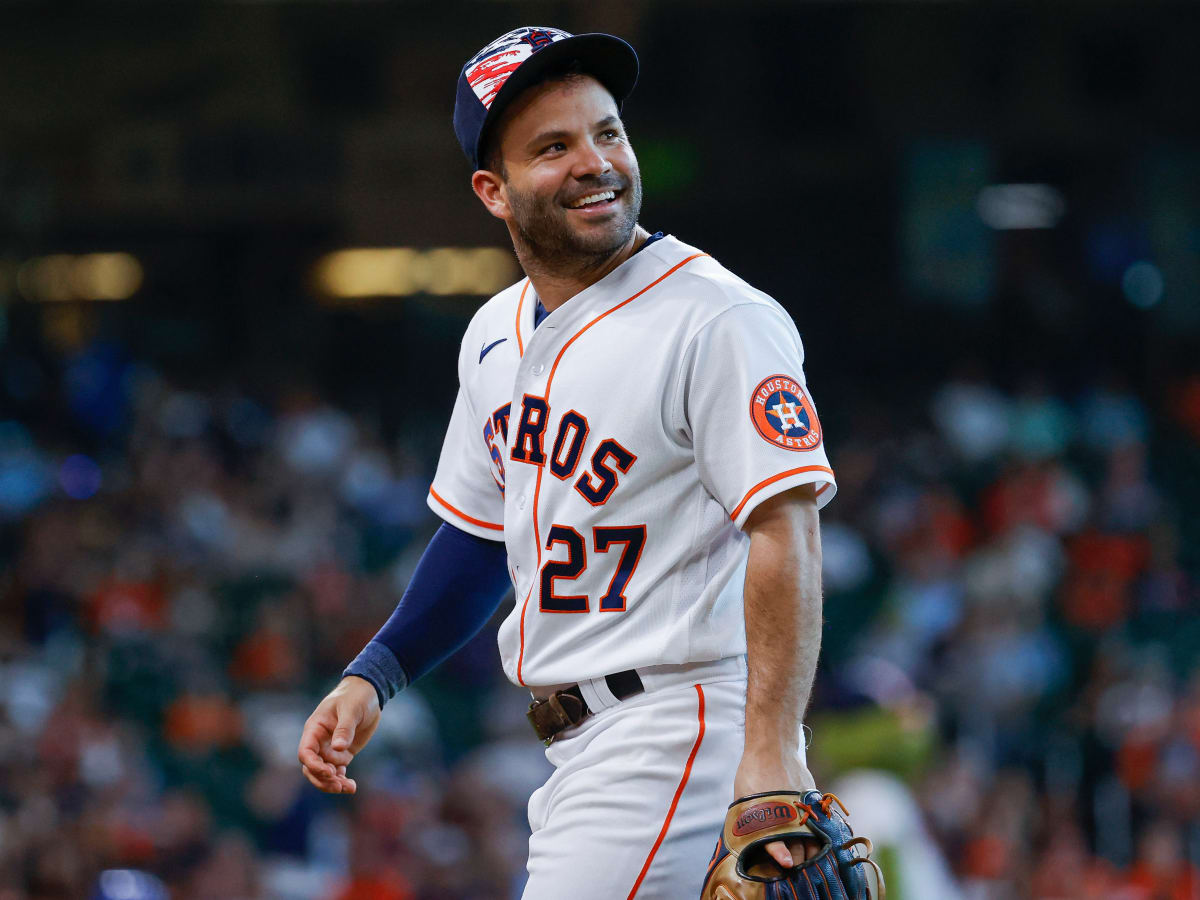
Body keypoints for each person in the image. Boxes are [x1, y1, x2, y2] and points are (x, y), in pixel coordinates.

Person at [298, 26, 837, 899]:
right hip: (580, 742)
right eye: (554, 148)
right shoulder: (491, 336)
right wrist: (377, 674)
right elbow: (482, 542)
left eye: (608, 132)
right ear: (493, 191)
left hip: (683, 725)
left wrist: (770, 751)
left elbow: (788, 530)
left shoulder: (718, 318)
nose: (595, 161)